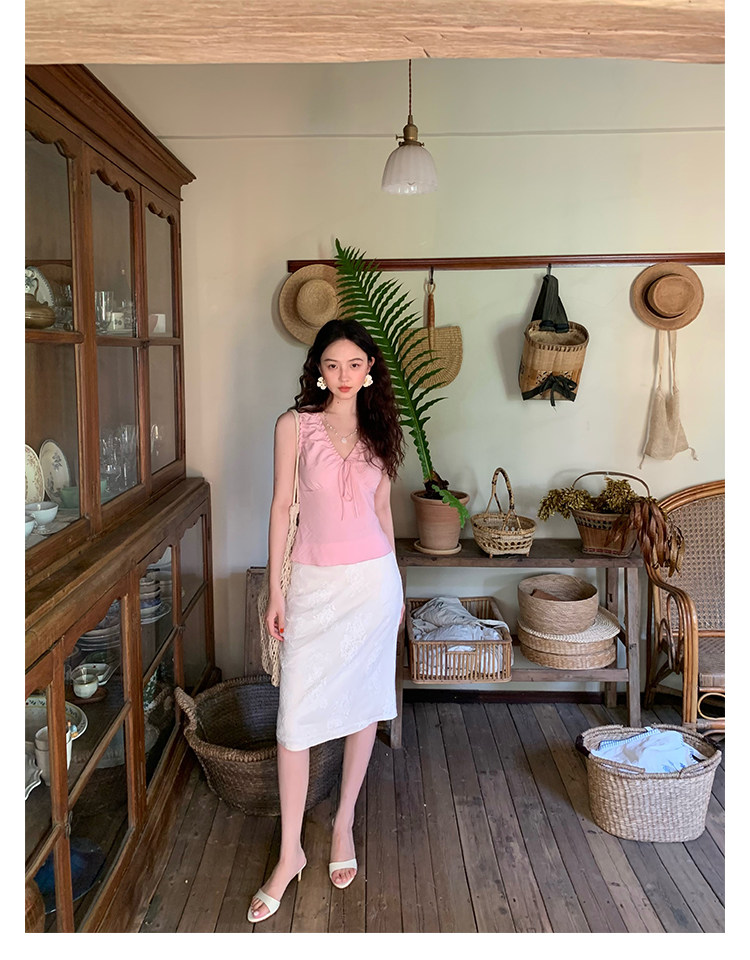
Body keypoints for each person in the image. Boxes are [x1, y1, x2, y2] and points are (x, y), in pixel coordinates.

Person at [248, 318, 406, 922]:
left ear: (369, 371)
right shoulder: (293, 425)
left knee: (364, 705)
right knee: (295, 721)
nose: (343, 375)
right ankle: (289, 852)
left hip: (373, 584)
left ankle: (343, 825)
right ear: (318, 368)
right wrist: (276, 590)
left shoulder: (381, 428)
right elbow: (280, 506)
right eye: (333, 364)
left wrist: (397, 587)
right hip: (313, 585)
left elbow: (383, 510)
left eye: (354, 365)